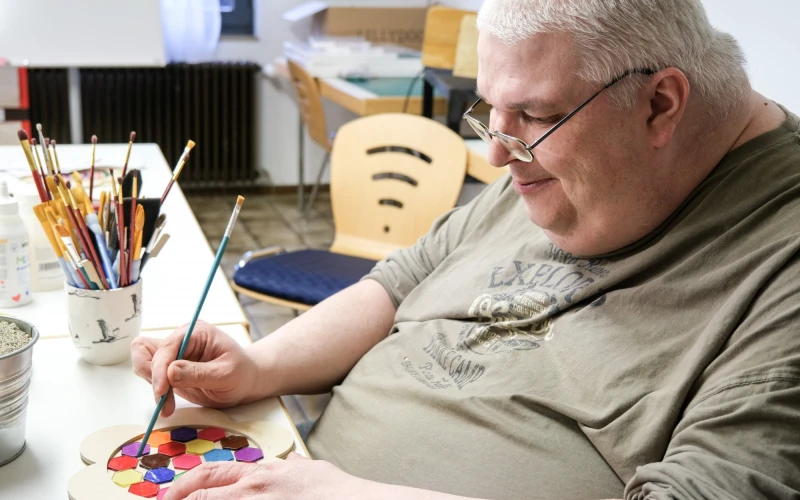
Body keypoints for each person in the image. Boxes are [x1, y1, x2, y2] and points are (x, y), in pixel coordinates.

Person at [132, 0, 800, 498]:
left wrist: (347, 494)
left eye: (533, 116)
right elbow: (398, 282)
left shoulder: (779, 259)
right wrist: (257, 367)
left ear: (659, 104)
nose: (496, 153)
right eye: (491, 112)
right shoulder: (562, 160)